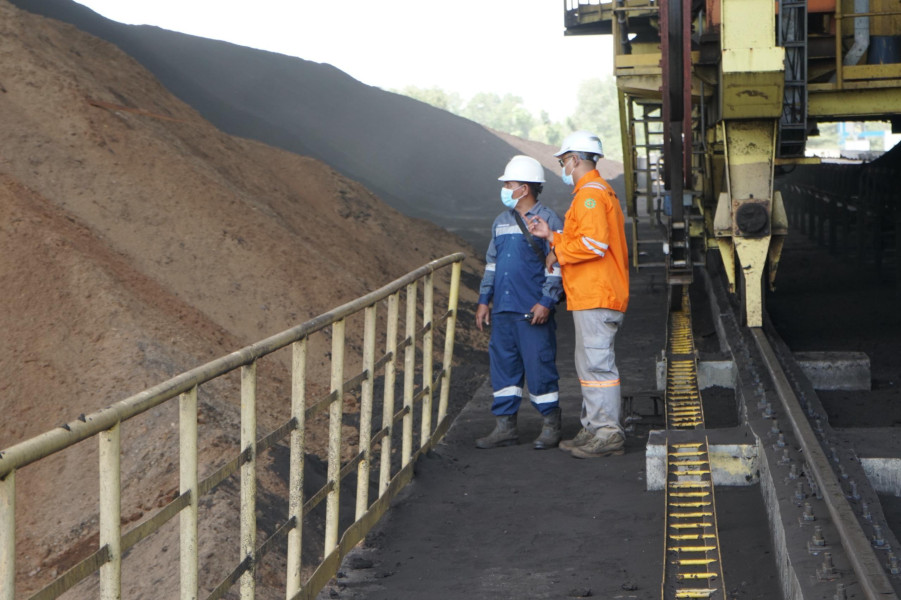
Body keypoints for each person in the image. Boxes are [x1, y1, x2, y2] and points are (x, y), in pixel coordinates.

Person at [528, 131, 629, 459]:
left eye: (563, 161)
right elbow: (586, 238)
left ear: (575, 158)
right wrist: (553, 236)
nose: (563, 167)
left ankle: (608, 433)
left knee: (598, 366)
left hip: (597, 293)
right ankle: (594, 426)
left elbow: (593, 245)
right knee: (589, 365)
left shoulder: (589, 196)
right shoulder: (594, 193)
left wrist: (557, 245)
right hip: (591, 294)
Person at [475, 155, 565, 450]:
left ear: (524, 188)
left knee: (540, 368)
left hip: (532, 311)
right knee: (503, 369)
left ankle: (551, 425)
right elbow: (492, 264)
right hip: (502, 310)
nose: (504, 188)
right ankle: (505, 428)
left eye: (509, 184)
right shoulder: (501, 222)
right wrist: (484, 300)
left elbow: (557, 265)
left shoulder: (548, 220)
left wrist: (546, 302)